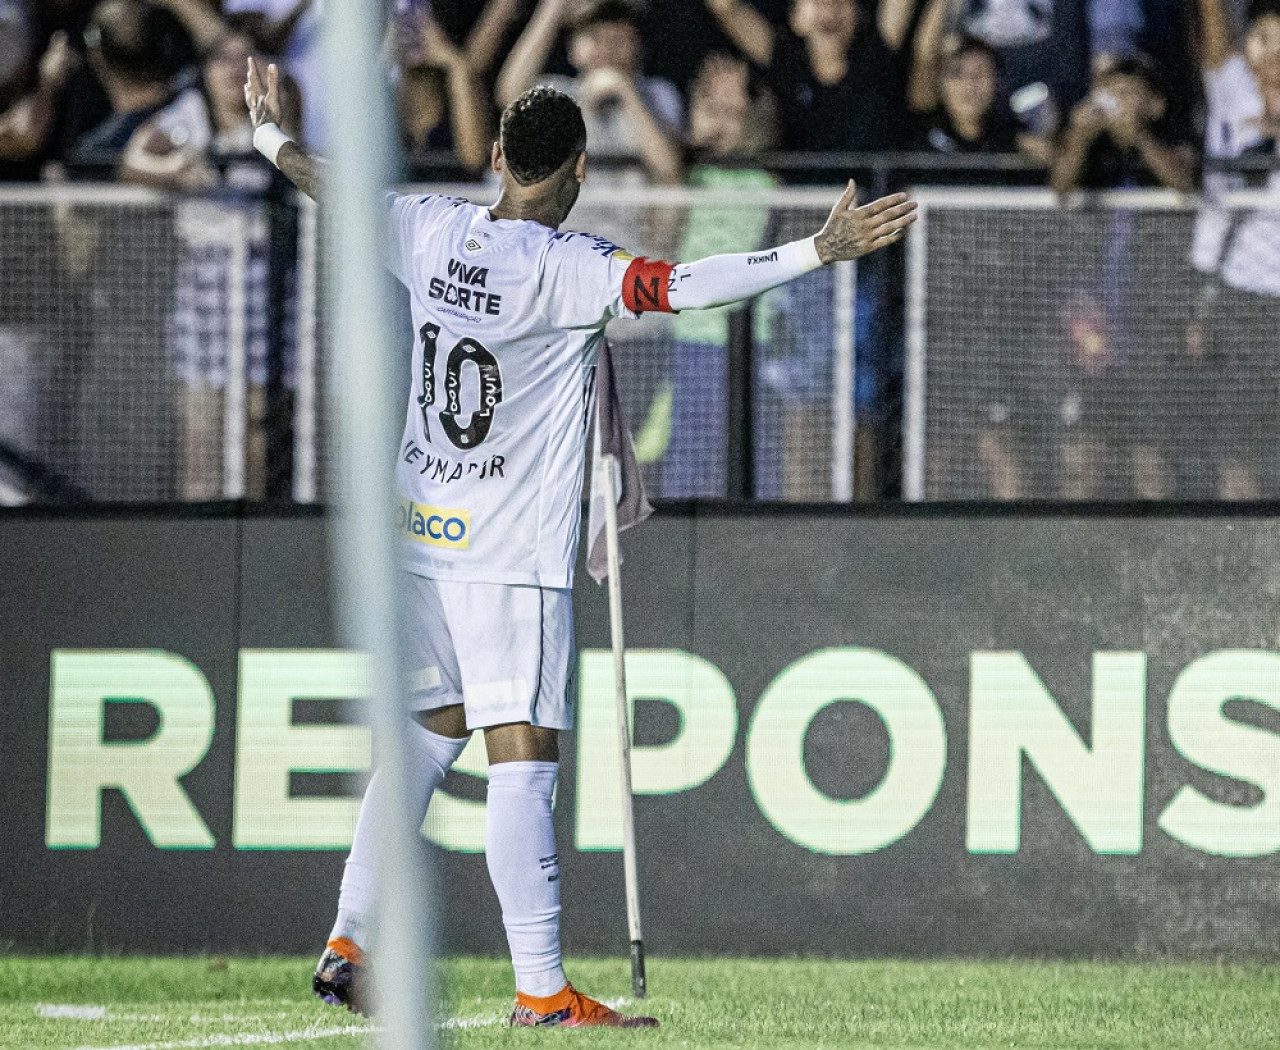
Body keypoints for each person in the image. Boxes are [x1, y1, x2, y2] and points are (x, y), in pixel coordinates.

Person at [244, 58, 915, 1026]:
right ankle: (543, 991)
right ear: (579, 172)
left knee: (428, 741)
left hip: (419, 540)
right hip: (507, 561)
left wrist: (268, 137)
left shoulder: (427, 225)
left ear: (495, 157)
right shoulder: (572, 269)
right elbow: (685, 284)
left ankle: (348, 940)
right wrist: (816, 249)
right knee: (522, 758)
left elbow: (332, 187)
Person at [1185, 0, 1280, 498]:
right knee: (1237, 452)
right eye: (1265, 38)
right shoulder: (1231, 89)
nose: (1275, 54)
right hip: (1239, 296)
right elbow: (1213, 14)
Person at [495, 0, 683, 185]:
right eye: (596, 37)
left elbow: (670, 170)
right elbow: (508, 96)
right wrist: (554, 8)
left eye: (620, 39)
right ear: (574, 50)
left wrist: (625, 90)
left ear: (638, 47)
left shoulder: (657, 93)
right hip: (569, 213)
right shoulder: (558, 91)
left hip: (632, 212)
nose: (608, 48)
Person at [703, 0, 920, 157]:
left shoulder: (877, 58)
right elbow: (725, 7)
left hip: (875, 206)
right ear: (795, 18)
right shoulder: (784, 62)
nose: (828, 7)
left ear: (856, 16)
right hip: (803, 207)